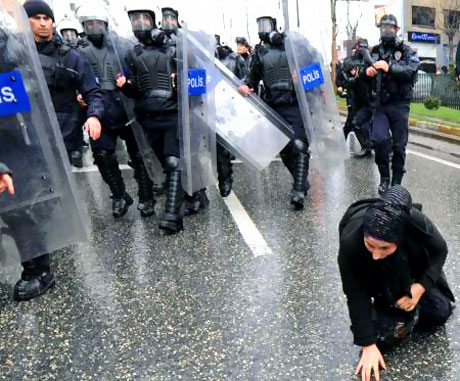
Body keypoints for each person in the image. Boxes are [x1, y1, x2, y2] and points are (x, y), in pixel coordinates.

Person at [338, 186, 454, 381]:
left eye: (384, 247)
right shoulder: (351, 243)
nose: (376, 254)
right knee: (382, 339)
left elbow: (440, 251)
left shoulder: (417, 223)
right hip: (377, 278)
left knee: (440, 312)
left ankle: (409, 309)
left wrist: (420, 287)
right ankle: (392, 305)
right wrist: (367, 345)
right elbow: (355, 292)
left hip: (411, 268)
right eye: (371, 245)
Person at [77, 5, 155, 218]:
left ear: (105, 23)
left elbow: (142, 70)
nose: (94, 27)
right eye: (90, 23)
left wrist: (132, 84)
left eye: (98, 23)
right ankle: (119, 195)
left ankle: (147, 197)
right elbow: (73, 77)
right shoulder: (79, 50)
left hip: (127, 106)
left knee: (139, 154)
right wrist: (77, 94)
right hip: (99, 108)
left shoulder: (124, 45)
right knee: (102, 155)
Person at [116, 6, 186, 233]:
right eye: (135, 20)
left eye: (144, 19)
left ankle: (172, 214)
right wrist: (125, 86)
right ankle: (182, 200)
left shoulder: (174, 48)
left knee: (174, 161)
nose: (140, 25)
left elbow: (191, 80)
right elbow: (136, 88)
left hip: (172, 114)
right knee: (166, 163)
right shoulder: (133, 54)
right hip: (147, 117)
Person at [239, 16, 310, 209]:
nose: (264, 29)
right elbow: (252, 77)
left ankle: (299, 191)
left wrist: (301, 75)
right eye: (260, 25)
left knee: (299, 145)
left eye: (266, 25)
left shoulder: (293, 47)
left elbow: (313, 67)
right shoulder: (260, 53)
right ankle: (301, 179)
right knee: (285, 150)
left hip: (293, 104)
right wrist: (246, 86)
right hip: (273, 106)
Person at [23, 0, 103, 168]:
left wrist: (94, 116)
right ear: (24, 20)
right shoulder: (16, 55)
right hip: (29, 135)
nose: (43, 23)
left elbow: (92, 91)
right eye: (36, 18)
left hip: (64, 134)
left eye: (47, 18)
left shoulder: (71, 57)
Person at [363, 15, 419, 194]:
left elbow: (411, 70)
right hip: (381, 103)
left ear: (396, 29)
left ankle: (396, 182)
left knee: (399, 145)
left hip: (400, 103)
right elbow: (363, 70)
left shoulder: (406, 50)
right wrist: (368, 71)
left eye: (389, 27)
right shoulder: (375, 50)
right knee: (379, 139)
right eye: (383, 27)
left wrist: (389, 67)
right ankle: (384, 177)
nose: (386, 30)